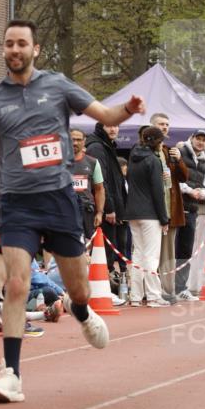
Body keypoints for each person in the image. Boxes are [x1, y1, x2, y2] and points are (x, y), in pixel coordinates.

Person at [0, 19, 145, 404]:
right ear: (3, 50)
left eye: (22, 43)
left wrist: (128, 108)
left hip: (57, 199)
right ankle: (11, 374)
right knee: (17, 283)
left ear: (35, 49)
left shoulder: (56, 85)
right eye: (9, 44)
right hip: (17, 202)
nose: (15, 50)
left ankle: (82, 309)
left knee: (79, 286)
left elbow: (104, 116)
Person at [125, 125, 170, 307]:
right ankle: (153, 296)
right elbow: (157, 192)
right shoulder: (153, 160)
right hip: (150, 213)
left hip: (133, 211)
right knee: (151, 256)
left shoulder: (133, 156)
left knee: (138, 255)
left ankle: (136, 296)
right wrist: (164, 218)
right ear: (158, 142)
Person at [149, 112, 188, 302]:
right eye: (160, 124)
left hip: (171, 210)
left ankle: (167, 290)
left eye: (166, 124)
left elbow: (184, 178)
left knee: (168, 253)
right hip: (151, 212)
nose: (164, 127)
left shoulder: (169, 151)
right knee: (151, 254)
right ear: (151, 127)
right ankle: (151, 291)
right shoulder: (144, 151)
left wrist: (179, 159)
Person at [85, 122, 128, 276]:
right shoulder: (97, 147)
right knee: (104, 251)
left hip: (109, 207)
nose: (113, 128)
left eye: (116, 126)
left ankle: (108, 284)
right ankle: (105, 286)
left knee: (110, 249)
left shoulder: (106, 145)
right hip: (103, 209)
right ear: (100, 128)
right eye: (109, 125)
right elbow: (101, 182)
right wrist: (109, 208)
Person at [176, 130, 205, 300]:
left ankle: (180, 288)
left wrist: (200, 193)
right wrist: (191, 191)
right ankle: (165, 287)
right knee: (170, 249)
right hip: (175, 208)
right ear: (192, 138)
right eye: (198, 138)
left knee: (185, 249)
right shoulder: (180, 152)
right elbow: (175, 180)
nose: (201, 142)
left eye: (204, 140)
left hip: (192, 210)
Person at [70, 128, 104, 241]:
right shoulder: (58, 162)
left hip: (86, 210)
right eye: (72, 139)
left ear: (84, 141)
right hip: (64, 208)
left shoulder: (93, 162)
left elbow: (99, 189)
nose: (75, 142)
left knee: (86, 244)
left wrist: (99, 212)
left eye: (78, 140)